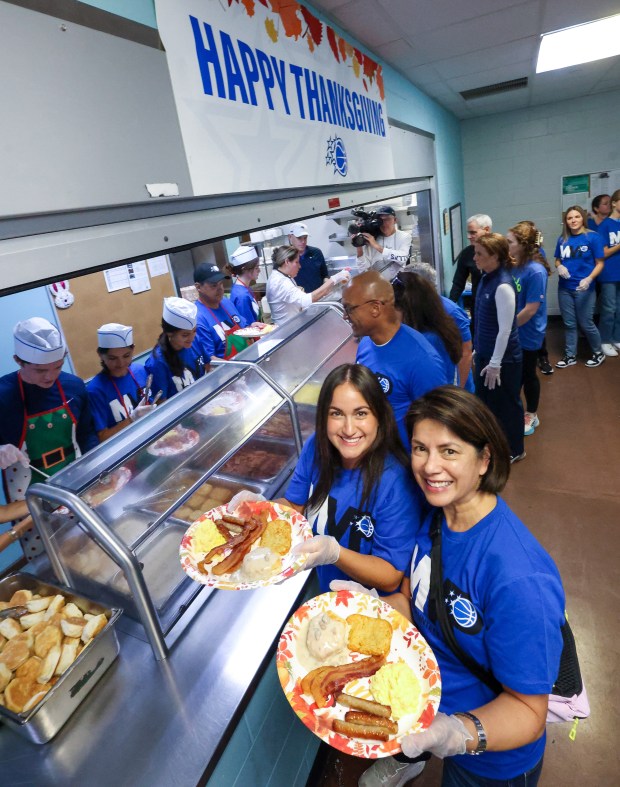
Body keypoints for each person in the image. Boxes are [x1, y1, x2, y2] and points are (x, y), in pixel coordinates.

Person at [357, 386, 565, 787]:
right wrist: (368, 614)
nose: (430, 466)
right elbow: (413, 596)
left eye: (449, 451)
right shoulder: (438, 515)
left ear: (485, 459)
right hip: (435, 707)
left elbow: (527, 711)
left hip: (492, 765)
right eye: (420, 448)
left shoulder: (519, 577)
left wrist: (455, 733)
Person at [282, 364, 423, 593]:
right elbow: (294, 506)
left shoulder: (396, 483)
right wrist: (256, 509)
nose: (349, 429)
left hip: (370, 605)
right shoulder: (316, 447)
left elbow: (390, 575)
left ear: (379, 416)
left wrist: (335, 553)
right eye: (336, 413)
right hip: (325, 590)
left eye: (361, 413)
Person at [0, 318, 97, 556]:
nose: (50, 377)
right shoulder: (3, 395)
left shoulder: (73, 386)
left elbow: (87, 435)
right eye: (41, 369)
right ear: (18, 361)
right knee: (46, 552)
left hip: (73, 474)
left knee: (86, 543)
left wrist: (96, 472)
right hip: (26, 487)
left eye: (57, 366)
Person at [342, 271, 448, 448]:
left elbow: (438, 423)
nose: (345, 316)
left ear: (375, 308)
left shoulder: (422, 360)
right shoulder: (366, 343)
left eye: (349, 308)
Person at [472, 233, 525, 462]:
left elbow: (505, 330)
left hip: (504, 360)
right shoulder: (486, 277)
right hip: (485, 354)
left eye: (479, 254)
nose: (474, 257)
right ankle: (494, 444)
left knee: (507, 406)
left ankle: (515, 449)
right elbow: (484, 321)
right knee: (487, 404)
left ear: (494, 256)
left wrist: (495, 363)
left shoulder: (503, 285)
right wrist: (478, 349)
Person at [395, 262, 474, 391]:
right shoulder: (411, 309)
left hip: (451, 386)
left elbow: (465, 353)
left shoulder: (450, 311)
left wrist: (459, 390)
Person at [507, 222, 551, 437]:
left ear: (522, 245)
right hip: (515, 329)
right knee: (515, 374)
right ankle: (512, 410)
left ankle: (531, 413)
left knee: (527, 374)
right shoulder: (515, 265)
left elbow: (531, 309)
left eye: (510, 242)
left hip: (528, 332)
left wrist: (507, 328)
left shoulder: (536, 271)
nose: (506, 245)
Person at [554, 206, 605, 368]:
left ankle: (598, 352)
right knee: (569, 323)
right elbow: (557, 259)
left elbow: (600, 263)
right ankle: (570, 356)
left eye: (576, 217)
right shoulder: (562, 239)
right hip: (564, 288)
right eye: (569, 218)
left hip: (584, 288)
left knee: (586, 322)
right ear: (566, 221)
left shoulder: (592, 237)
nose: (573, 220)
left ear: (582, 218)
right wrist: (559, 266)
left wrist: (589, 278)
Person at [87, 323, 155, 442]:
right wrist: (132, 419)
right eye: (112, 358)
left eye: (126, 356)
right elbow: (102, 437)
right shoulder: (95, 390)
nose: (121, 363)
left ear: (133, 349)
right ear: (100, 355)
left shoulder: (140, 371)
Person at [145, 297, 209, 401]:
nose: (192, 337)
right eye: (185, 335)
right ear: (170, 333)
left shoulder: (195, 340)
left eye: (195, 331)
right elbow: (161, 403)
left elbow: (209, 364)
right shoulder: (157, 362)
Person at [265, 245, 338, 325]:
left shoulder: (284, 276)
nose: (299, 266)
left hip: (292, 326)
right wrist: (334, 279)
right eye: (296, 262)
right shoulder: (279, 282)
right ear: (287, 262)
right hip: (287, 329)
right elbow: (305, 300)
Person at [194, 262, 251, 360]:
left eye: (221, 284)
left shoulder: (225, 302)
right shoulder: (198, 318)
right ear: (198, 287)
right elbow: (210, 360)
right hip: (227, 372)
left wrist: (253, 327)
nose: (220, 289)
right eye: (214, 285)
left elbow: (243, 328)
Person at [448, 214, 492, 333]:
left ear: (486, 230)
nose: (469, 237)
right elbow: (458, 283)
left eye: (473, 233)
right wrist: (449, 306)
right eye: (468, 233)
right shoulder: (467, 253)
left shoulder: (500, 251)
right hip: (477, 305)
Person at [596, 189, 620, 357]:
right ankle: (604, 340)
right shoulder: (605, 226)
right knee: (609, 308)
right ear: (614, 203)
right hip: (609, 275)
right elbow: (603, 253)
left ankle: (616, 337)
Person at [355, 205, 412, 272]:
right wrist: (359, 247)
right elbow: (362, 270)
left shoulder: (404, 236)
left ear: (395, 220)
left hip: (398, 280)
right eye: (380, 220)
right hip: (377, 281)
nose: (384, 223)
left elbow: (402, 258)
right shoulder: (373, 238)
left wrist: (376, 246)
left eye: (387, 219)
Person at [287, 222, 330, 293]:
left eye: (305, 238)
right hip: (299, 300)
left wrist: (327, 281)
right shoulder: (285, 258)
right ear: (290, 237)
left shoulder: (316, 252)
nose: (303, 241)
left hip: (319, 297)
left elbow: (325, 275)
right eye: (299, 238)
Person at [228, 245, 264, 324]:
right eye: (256, 267)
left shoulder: (243, 288)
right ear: (244, 269)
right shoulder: (242, 296)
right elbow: (248, 328)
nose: (259, 270)